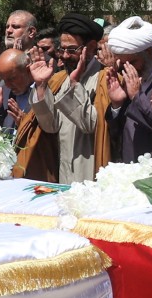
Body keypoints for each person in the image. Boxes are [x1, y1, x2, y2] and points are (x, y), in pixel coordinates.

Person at [26, 14, 109, 182]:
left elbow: (89, 125)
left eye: (71, 50)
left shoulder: (106, 79)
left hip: (91, 172)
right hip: (64, 172)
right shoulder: (59, 79)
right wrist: (41, 86)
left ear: (92, 47)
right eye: (61, 49)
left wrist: (74, 86)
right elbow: (50, 126)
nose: (64, 56)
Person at [100, 15, 152, 162]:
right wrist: (117, 104)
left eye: (132, 62)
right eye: (122, 64)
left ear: (149, 52)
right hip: (128, 164)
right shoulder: (129, 76)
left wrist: (137, 96)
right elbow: (117, 131)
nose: (127, 69)